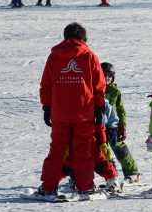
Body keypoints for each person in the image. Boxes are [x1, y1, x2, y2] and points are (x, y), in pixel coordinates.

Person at [35, 22, 106, 200]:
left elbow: (46, 84)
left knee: (57, 151)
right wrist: (99, 107)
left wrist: (47, 106)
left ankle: (48, 187)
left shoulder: (54, 57)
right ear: (83, 37)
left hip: (60, 113)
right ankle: (86, 187)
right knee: (84, 151)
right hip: (84, 113)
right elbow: (99, 85)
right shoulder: (89, 56)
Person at [101, 62, 140, 183]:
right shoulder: (92, 89)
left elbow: (121, 109)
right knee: (102, 150)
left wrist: (122, 125)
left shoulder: (114, 91)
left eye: (110, 76)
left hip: (112, 125)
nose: (107, 78)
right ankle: (111, 174)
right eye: (104, 75)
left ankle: (132, 172)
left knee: (118, 147)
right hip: (97, 125)